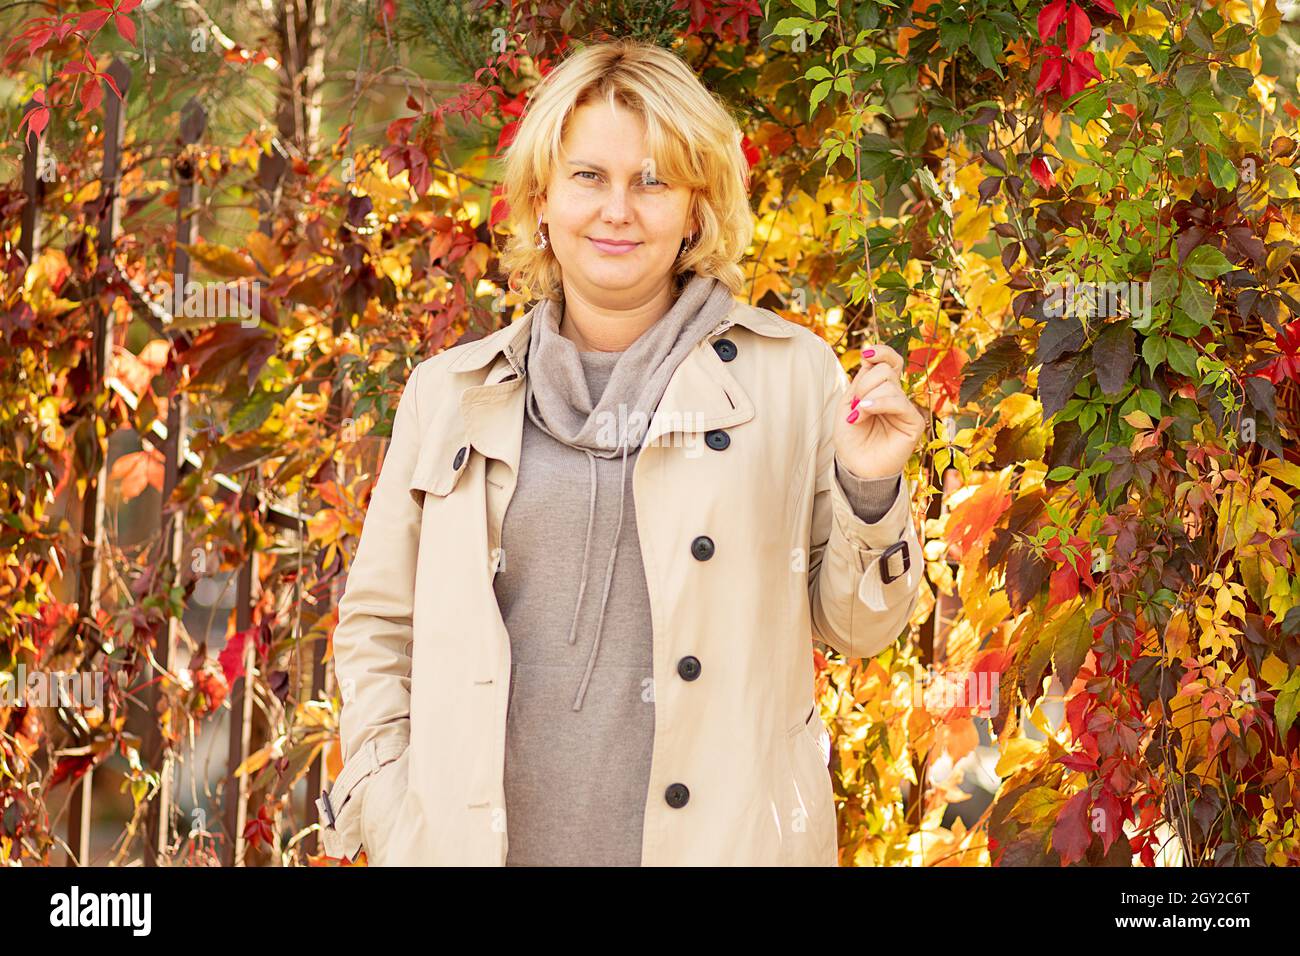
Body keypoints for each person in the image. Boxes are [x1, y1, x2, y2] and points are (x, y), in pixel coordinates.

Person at [316, 38, 925, 867]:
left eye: (653, 181)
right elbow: (379, 627)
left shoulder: (793, 377)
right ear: (540, 200)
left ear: (697, 208)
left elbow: (861, 629)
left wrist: (869, 486)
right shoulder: (449, 393)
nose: (618, 210)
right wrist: (391, 812)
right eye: (588, 177)